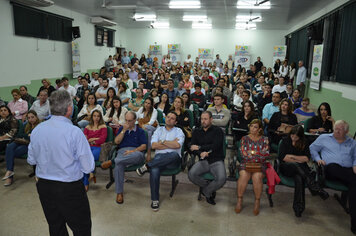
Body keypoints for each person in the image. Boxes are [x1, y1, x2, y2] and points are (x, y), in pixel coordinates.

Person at [27, 90, 94, 236]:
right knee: (81, 228)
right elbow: (88, 167)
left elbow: (31, 160)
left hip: (44, 187)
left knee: (56, 226)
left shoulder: (37, 130)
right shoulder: (74, 132)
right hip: (69, 189)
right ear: (69, 109)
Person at [310, 120, 356, 234]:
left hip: (348, 170)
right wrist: (318, 159)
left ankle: (354, 224)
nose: (337, 131)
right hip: (331, 170)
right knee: (335, 168)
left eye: (340, 129)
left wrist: (355, 164)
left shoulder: (352, 142)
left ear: (347, 131)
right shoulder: (324, 138)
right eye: (336, 128)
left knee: (354, 187)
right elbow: (312, 148)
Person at [136, 111, 185, 211]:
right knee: (154, 170)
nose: (169, 119)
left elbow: (177, 145)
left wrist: (162, 142)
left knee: (173, 154)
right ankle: (155, 200)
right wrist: (171, 143)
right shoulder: (158, 130)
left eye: (172, 118)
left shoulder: (179, 131)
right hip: (159, 160)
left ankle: (147, 166)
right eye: (168, 117)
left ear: (175, 122)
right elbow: (154, 145)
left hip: (173, 161)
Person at [279, 125, 329, 217]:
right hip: (286, 168)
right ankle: (314, 186)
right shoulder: (285, 141)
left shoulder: (304, 142)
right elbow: (284, 158)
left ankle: (298, 208)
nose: (293, 138)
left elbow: (306, 158)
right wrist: (298, 159)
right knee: (295, 165)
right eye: (292, 135)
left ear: (300, 136)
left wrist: (292, 157)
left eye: (296, 137)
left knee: (299, 179)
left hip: (300, 170)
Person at [101, 111, 147, 204]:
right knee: (119, 165)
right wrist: (123, 131)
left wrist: (133, 151)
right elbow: (117, 142)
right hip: (122, 152)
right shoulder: (122, 128)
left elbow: (144, 146)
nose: (127, 123)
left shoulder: (141, 131)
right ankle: (119, 193)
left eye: (130, 121)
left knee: (136, 156)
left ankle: (113, 161)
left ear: (135, 120)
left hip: (136, 152)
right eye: (126, 120)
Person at [188, 111, 226, 205]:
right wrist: (200, 153)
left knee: (222, 179)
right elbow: (192, 147)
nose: (203, 121)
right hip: (203, 161)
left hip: (216, 159)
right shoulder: (197, 131)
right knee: (191, 175)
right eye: (201, 119)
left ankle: (206, 192)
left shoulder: (218, 131)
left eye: (205, 119)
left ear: (211, 119)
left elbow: (216, 146)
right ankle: (209, 187)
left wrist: (201, 148)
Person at [235, 119, 269, 215]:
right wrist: (257, 154)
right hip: (245, 163)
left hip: (260, 165)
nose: (253, 129)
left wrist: (252, 154)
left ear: (259, 129)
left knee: (257, 177)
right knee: (244, 176)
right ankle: (239, 200)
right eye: (251, 126)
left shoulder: (264, 139)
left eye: (255, 127)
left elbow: (265, 154)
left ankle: (257, 201)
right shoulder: (244, 139)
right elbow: (243, 154)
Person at [3, 110, 40, 186]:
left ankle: (9, 175)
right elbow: (20, 134)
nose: (31, 119)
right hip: (21, 142)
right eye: (29, 118)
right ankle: (9, 172)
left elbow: (35, 137)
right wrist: (28, 135)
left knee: (10, 153)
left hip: (29, 145)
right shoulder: (26, 124)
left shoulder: (40, 125)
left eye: (32, 117)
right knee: (10, 146)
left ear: (36, 117)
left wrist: (26, 135)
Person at [83, 110, 107, 191]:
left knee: (89, 157)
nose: (96, 118)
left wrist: (91, 140)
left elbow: (102, 140)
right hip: (88, 147)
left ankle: (86, 182)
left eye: (98, 116)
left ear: (100, 117)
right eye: (94, 116)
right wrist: (94, 139)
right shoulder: (87, 127)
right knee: (84, 158)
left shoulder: (103, 126)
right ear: (92, 117)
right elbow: (84, 139)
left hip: (98, 148)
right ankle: (90, 174)